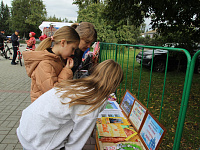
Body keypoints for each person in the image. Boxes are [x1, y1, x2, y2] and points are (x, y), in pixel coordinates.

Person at [17, 59, 123, 150]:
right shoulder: (94, 100)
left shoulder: (81, 84)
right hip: (38, 140)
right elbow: (78, 139)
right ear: (114, 83)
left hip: (28, 127)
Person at [23, 26, 80, 102]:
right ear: (63, 42)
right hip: (44, 110)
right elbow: (53, 93)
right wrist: (67, 70)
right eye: (72, 49)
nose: (73, 53)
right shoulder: (45, 63)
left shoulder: (57, 59)